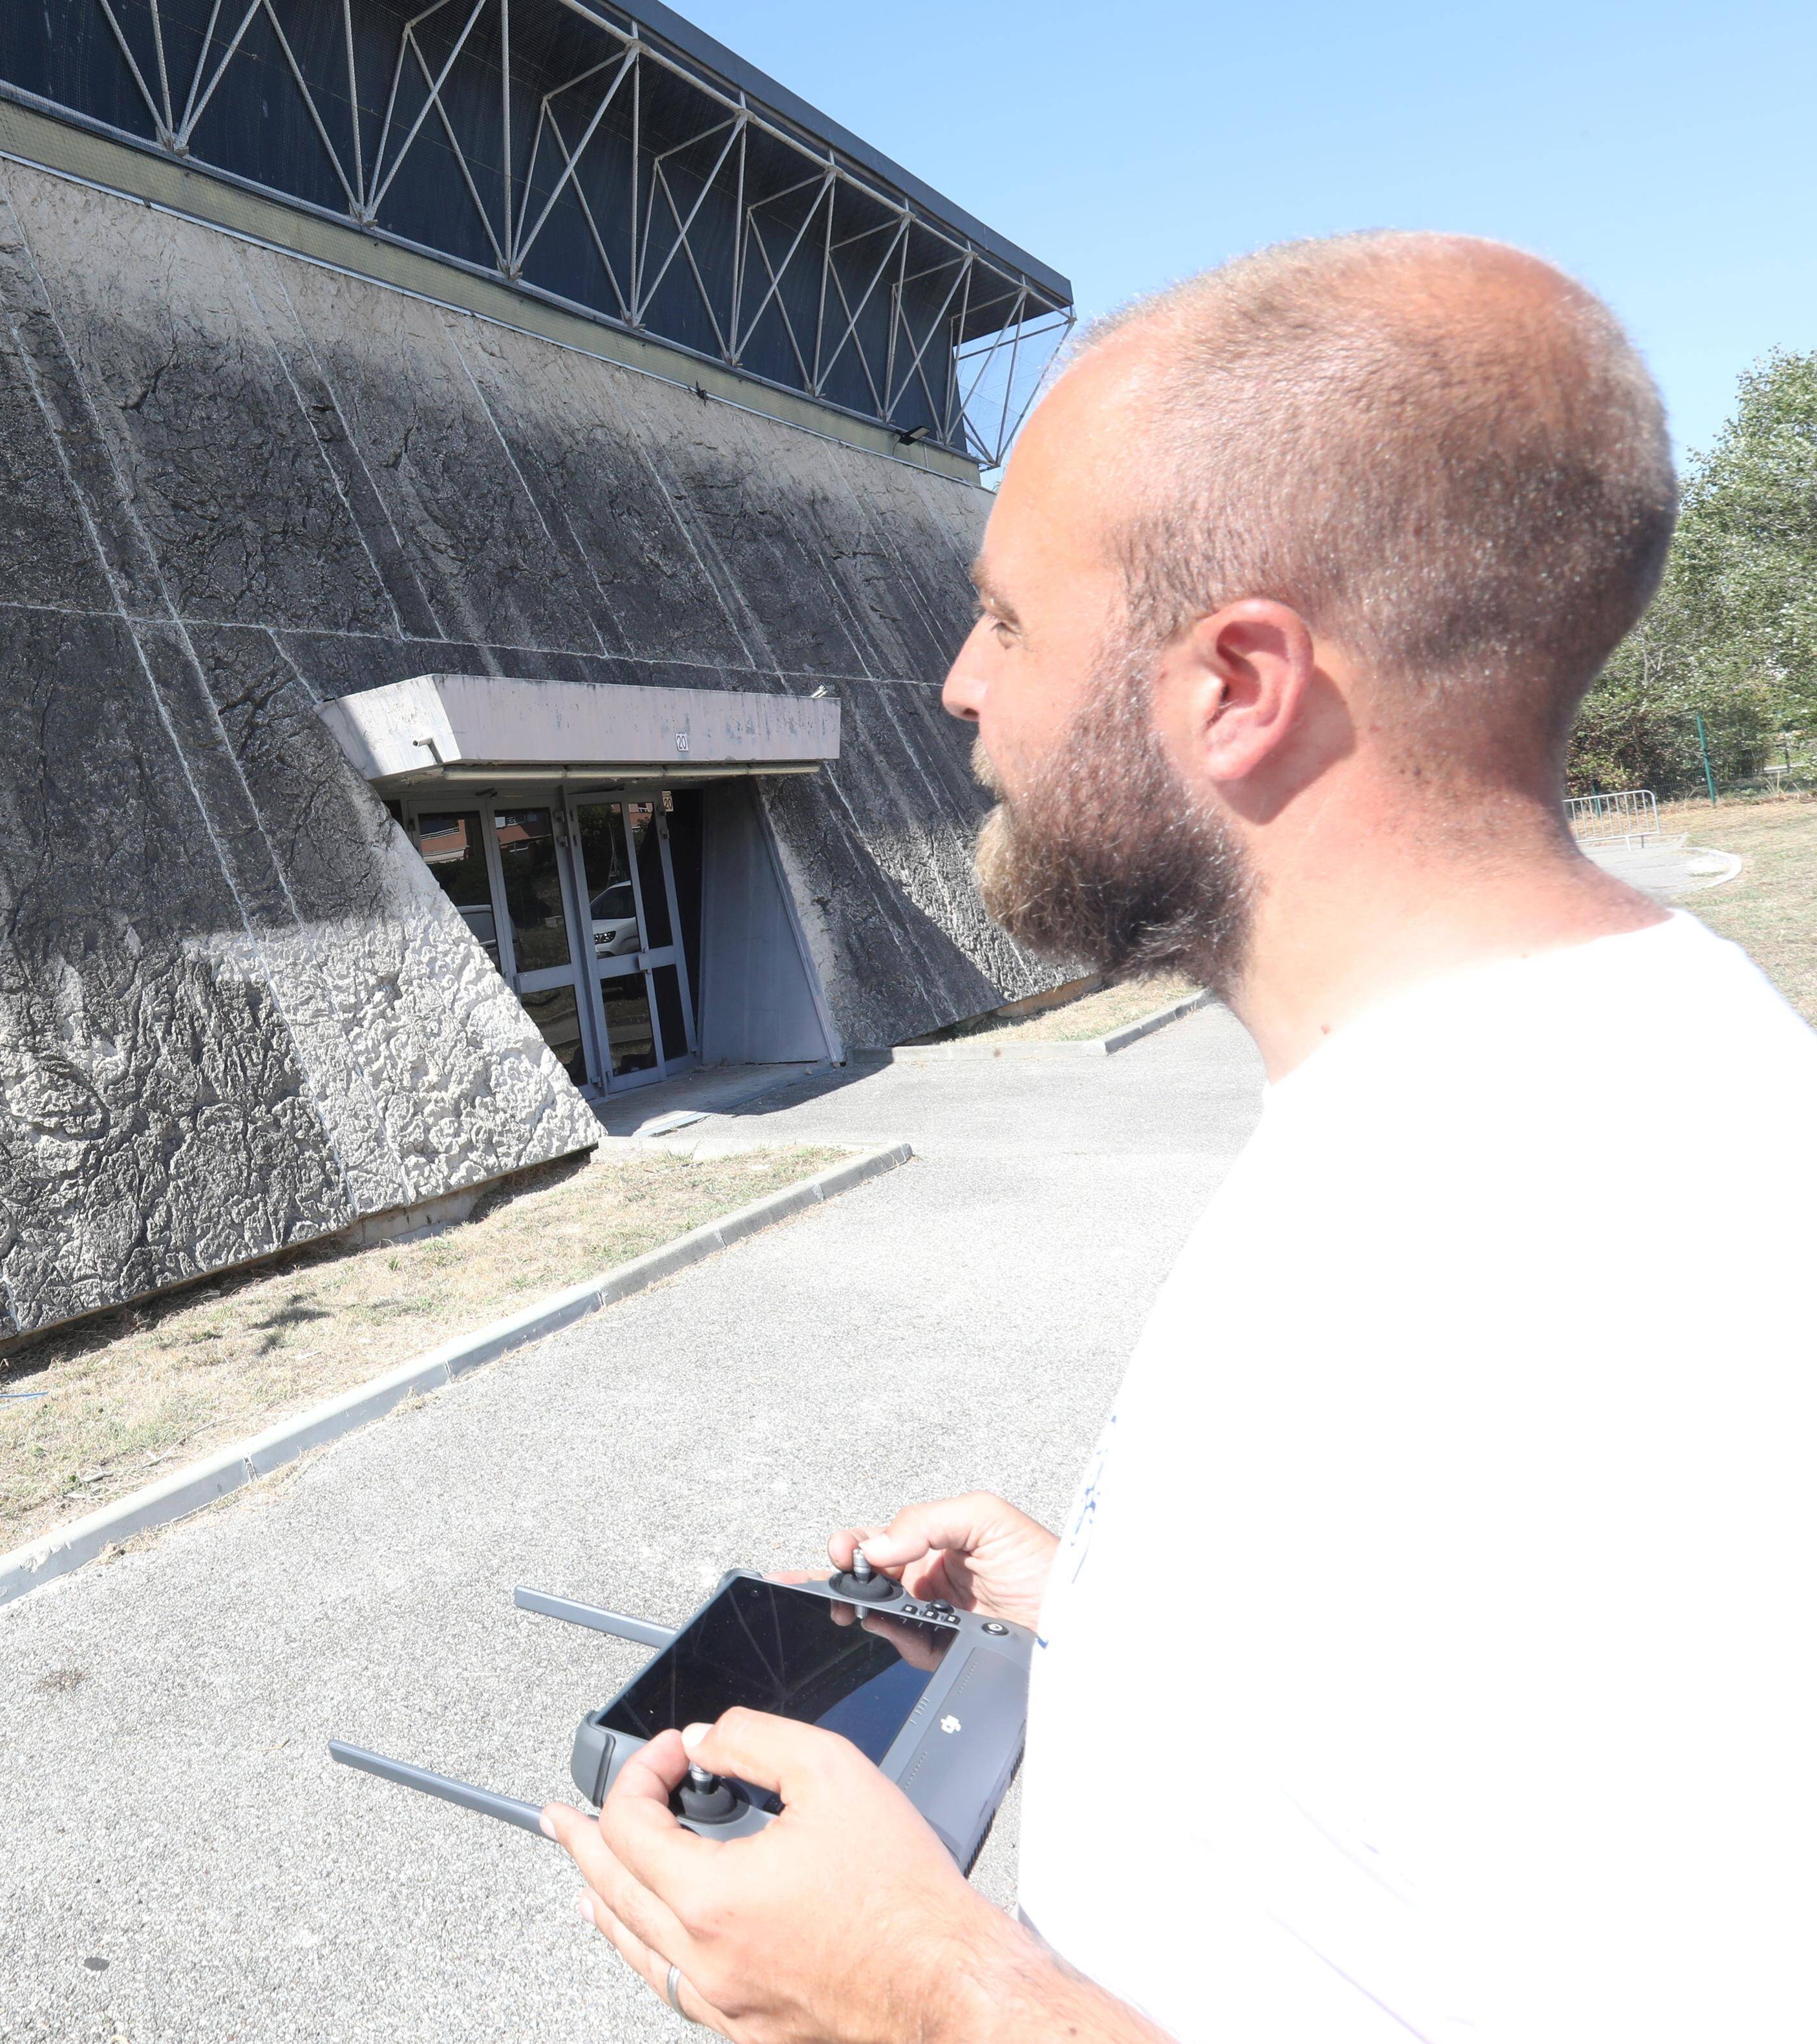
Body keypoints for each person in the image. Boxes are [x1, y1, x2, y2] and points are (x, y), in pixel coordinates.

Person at [544, 231, 1817, 2041]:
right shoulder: (1463, 1104)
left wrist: (930, 1982)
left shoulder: (1639, 1272)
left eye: (1004, 617)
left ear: (1236, 685)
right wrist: (1112, 1616)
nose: (956, 686)